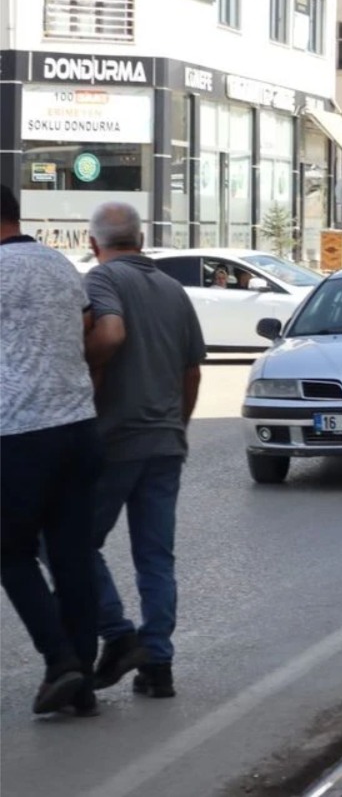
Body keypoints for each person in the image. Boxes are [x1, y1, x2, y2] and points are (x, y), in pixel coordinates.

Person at [83, 201, 205, 700]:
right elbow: (192, 370)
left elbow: (110, 334)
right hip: (164, 442)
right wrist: (178, 425)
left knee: (73, 544)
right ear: (142, 237)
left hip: (116, 441)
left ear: (94, 244)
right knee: (155, 557)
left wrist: (84, 362)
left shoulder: (101, 282)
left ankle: (119, 632)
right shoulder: (174, 290)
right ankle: (158, 665)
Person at [0, 186, 104, 717]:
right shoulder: (59, 264)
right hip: (79, 428)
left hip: (19, 434)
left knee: (11, 553)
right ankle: (80, 685)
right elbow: (88, 327)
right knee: (72, 559)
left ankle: (59, 658)